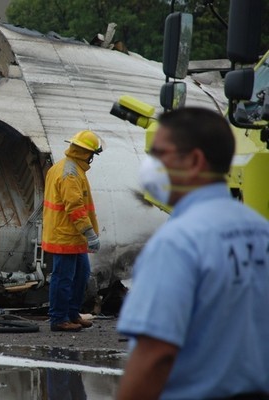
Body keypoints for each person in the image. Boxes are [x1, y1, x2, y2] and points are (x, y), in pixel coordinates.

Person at [116, 107, 269, 399]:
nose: (151, 165)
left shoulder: (177, 243)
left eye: (160, 154)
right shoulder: (260, 231)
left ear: (195, 161)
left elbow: (154, 356)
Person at [43, 130, 102, 332]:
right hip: (65, 235)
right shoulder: (70, 173)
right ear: (88, 153)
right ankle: (59, 319)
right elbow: (75, 207)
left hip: (72, 235)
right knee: (64, 278)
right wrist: (90, 233)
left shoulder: (68, 167)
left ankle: (71, 314)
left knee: (80, 274)